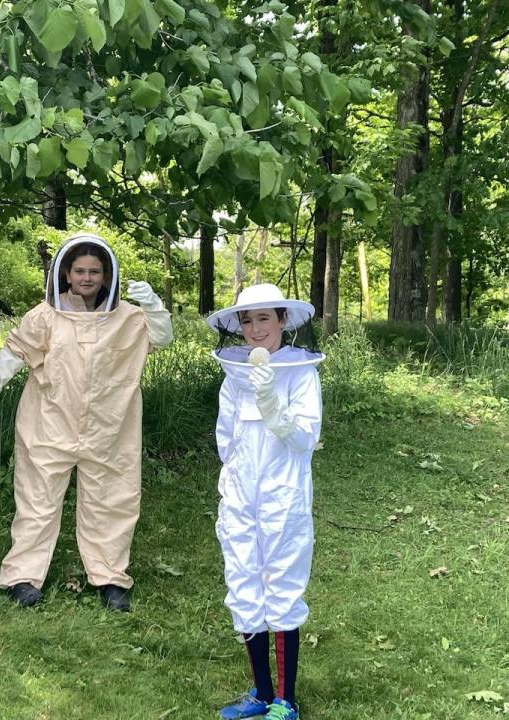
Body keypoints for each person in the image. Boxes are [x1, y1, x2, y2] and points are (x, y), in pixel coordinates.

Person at [0, 233, 173, 612]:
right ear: (66, 274)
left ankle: (111, 577)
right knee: (36, 500)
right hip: (48, 422)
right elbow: (16, 351)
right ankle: (23, 576)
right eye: (79, 270)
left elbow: (162, 338)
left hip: (110, 427)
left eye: (95, 271)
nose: (87, 277)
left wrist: (153, 304)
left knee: (112, 500)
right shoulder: (45, 316)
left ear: (106, 275)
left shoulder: (129, 317)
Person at [206, 284, 324, 720]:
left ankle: (285, 700)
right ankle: (259, 691)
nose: (255, 330)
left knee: (282, 584)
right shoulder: (233, 376)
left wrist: (276, 409)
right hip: (239, 492)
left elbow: (306, 437)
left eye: (264, 319)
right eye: (247, 320)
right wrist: (233, 481)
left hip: (283, 493)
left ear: (282, 322)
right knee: (243, 581)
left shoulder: (301, 372)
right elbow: (226, 439)